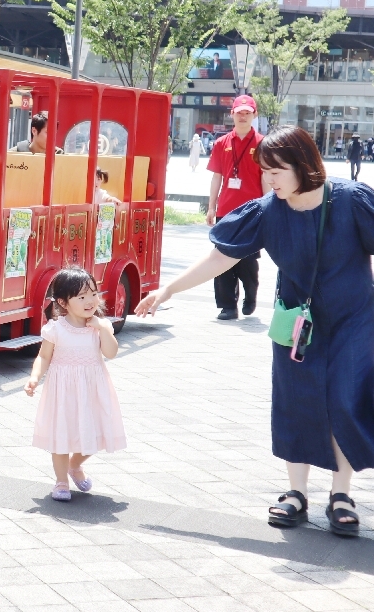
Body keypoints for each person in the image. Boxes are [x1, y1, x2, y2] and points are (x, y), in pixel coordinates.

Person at [136, 125, 374, 536]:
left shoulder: (352, 200)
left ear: (303, 165)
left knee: (344, 399)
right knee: (295, 399)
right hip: (298, 323)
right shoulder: (267, 211)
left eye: (276, 171)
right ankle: (296, 493)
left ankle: (340, 494)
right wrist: (168, 289)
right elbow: (220, 258)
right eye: (264, 171)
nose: (268, 180)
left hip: (354, 319)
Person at [25, 267, 125, 502]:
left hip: (92, 390)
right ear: (63, 302)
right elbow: (44, 356)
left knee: (94, 434)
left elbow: (111, 353)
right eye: (81, 297)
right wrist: (34, 377)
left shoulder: (100, 327)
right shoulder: (56, 329)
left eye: (93, 293)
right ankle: (61, 481)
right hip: (63, 392)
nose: (90, 301)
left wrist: (102, 329)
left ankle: (75, 465)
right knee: (61, 436)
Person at [206, 95, 263, 321]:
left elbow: (266, 177)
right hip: (226, 210)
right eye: (239, 112)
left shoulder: (261, 143)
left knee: (248, 260)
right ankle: (227, 305)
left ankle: (250, 295)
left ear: (254, 115)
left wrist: (269, 207)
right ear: (232, 114)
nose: (243, 115)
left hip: (252, 210)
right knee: (221, 258)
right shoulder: (222, 143)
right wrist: (211, 207)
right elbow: (216, 177)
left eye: (247, 112)